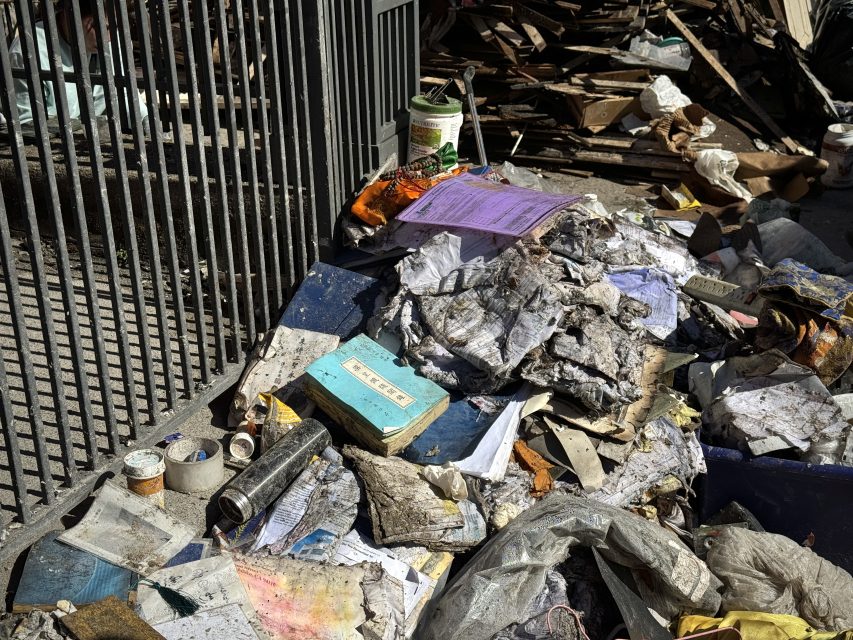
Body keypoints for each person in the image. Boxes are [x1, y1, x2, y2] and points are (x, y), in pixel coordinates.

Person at [8, 0, 148, 128]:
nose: (108, 39)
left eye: (115, 26)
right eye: (101, 27)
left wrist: (144, 121)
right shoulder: (29, 51)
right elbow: (27, 124)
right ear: (71, 15)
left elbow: (122, 95)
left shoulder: (114, 40)